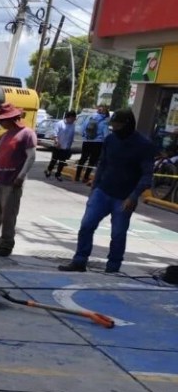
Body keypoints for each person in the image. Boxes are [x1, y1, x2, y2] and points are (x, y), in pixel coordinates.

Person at [59, 109, 155, 274]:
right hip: (102, 192)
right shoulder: (110, 140)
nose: (114, 128)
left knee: (118, 234)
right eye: (113, 125)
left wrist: (133, 196)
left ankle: (113, 267)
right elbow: (102, 164)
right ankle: (79, 261)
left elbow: (147, 175)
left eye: (117, 125)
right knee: (86, 225)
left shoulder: (144, 145)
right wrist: (94, 189)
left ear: (127, 124)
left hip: (124, 197)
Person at [0, 103, 37, 257]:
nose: (0, 123)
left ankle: (6, 244)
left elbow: (31, 157)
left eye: (2, 120)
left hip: (12, 182)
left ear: (12, 118)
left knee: (8, 215)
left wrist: (21, 176)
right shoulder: (4, 136)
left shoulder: (27, 134)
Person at [76, 104, 110, 184]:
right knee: (92, 161)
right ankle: (85, 177)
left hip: (87, 142)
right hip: (98, 143)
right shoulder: (104, 122)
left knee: (83, 158)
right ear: (105, 113)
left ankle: (77, 176)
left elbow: (81, 130)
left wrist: (85, 137)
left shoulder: (90, 118)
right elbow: (106, 135)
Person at [45, 110, 77, 181]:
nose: (74, 120)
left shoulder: (73, 125)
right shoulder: (60, 123)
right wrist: (57, 142)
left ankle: (58, 174)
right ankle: (49, 170)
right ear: (69, 117)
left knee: (62, 162)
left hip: (66, 147)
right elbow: (55, 134)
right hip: (58, 146)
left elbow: (71, 136)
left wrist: (70, 146)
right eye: (73, 118)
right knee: (54, 160)